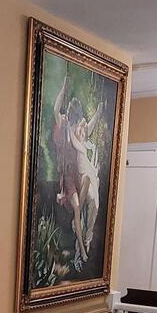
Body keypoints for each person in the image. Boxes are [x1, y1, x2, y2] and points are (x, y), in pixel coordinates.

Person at [50, 76, 100, 270]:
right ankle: (81, 247)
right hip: (69, 179)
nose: (75, 117)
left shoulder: (78, 130)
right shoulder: (63, 128)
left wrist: (98, 112)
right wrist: (63, 88)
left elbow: (90, 126)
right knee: (78, 207)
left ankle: (83, 239)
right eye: (74, 113)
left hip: (80, 176)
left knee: (89, 199)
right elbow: (56, 109)